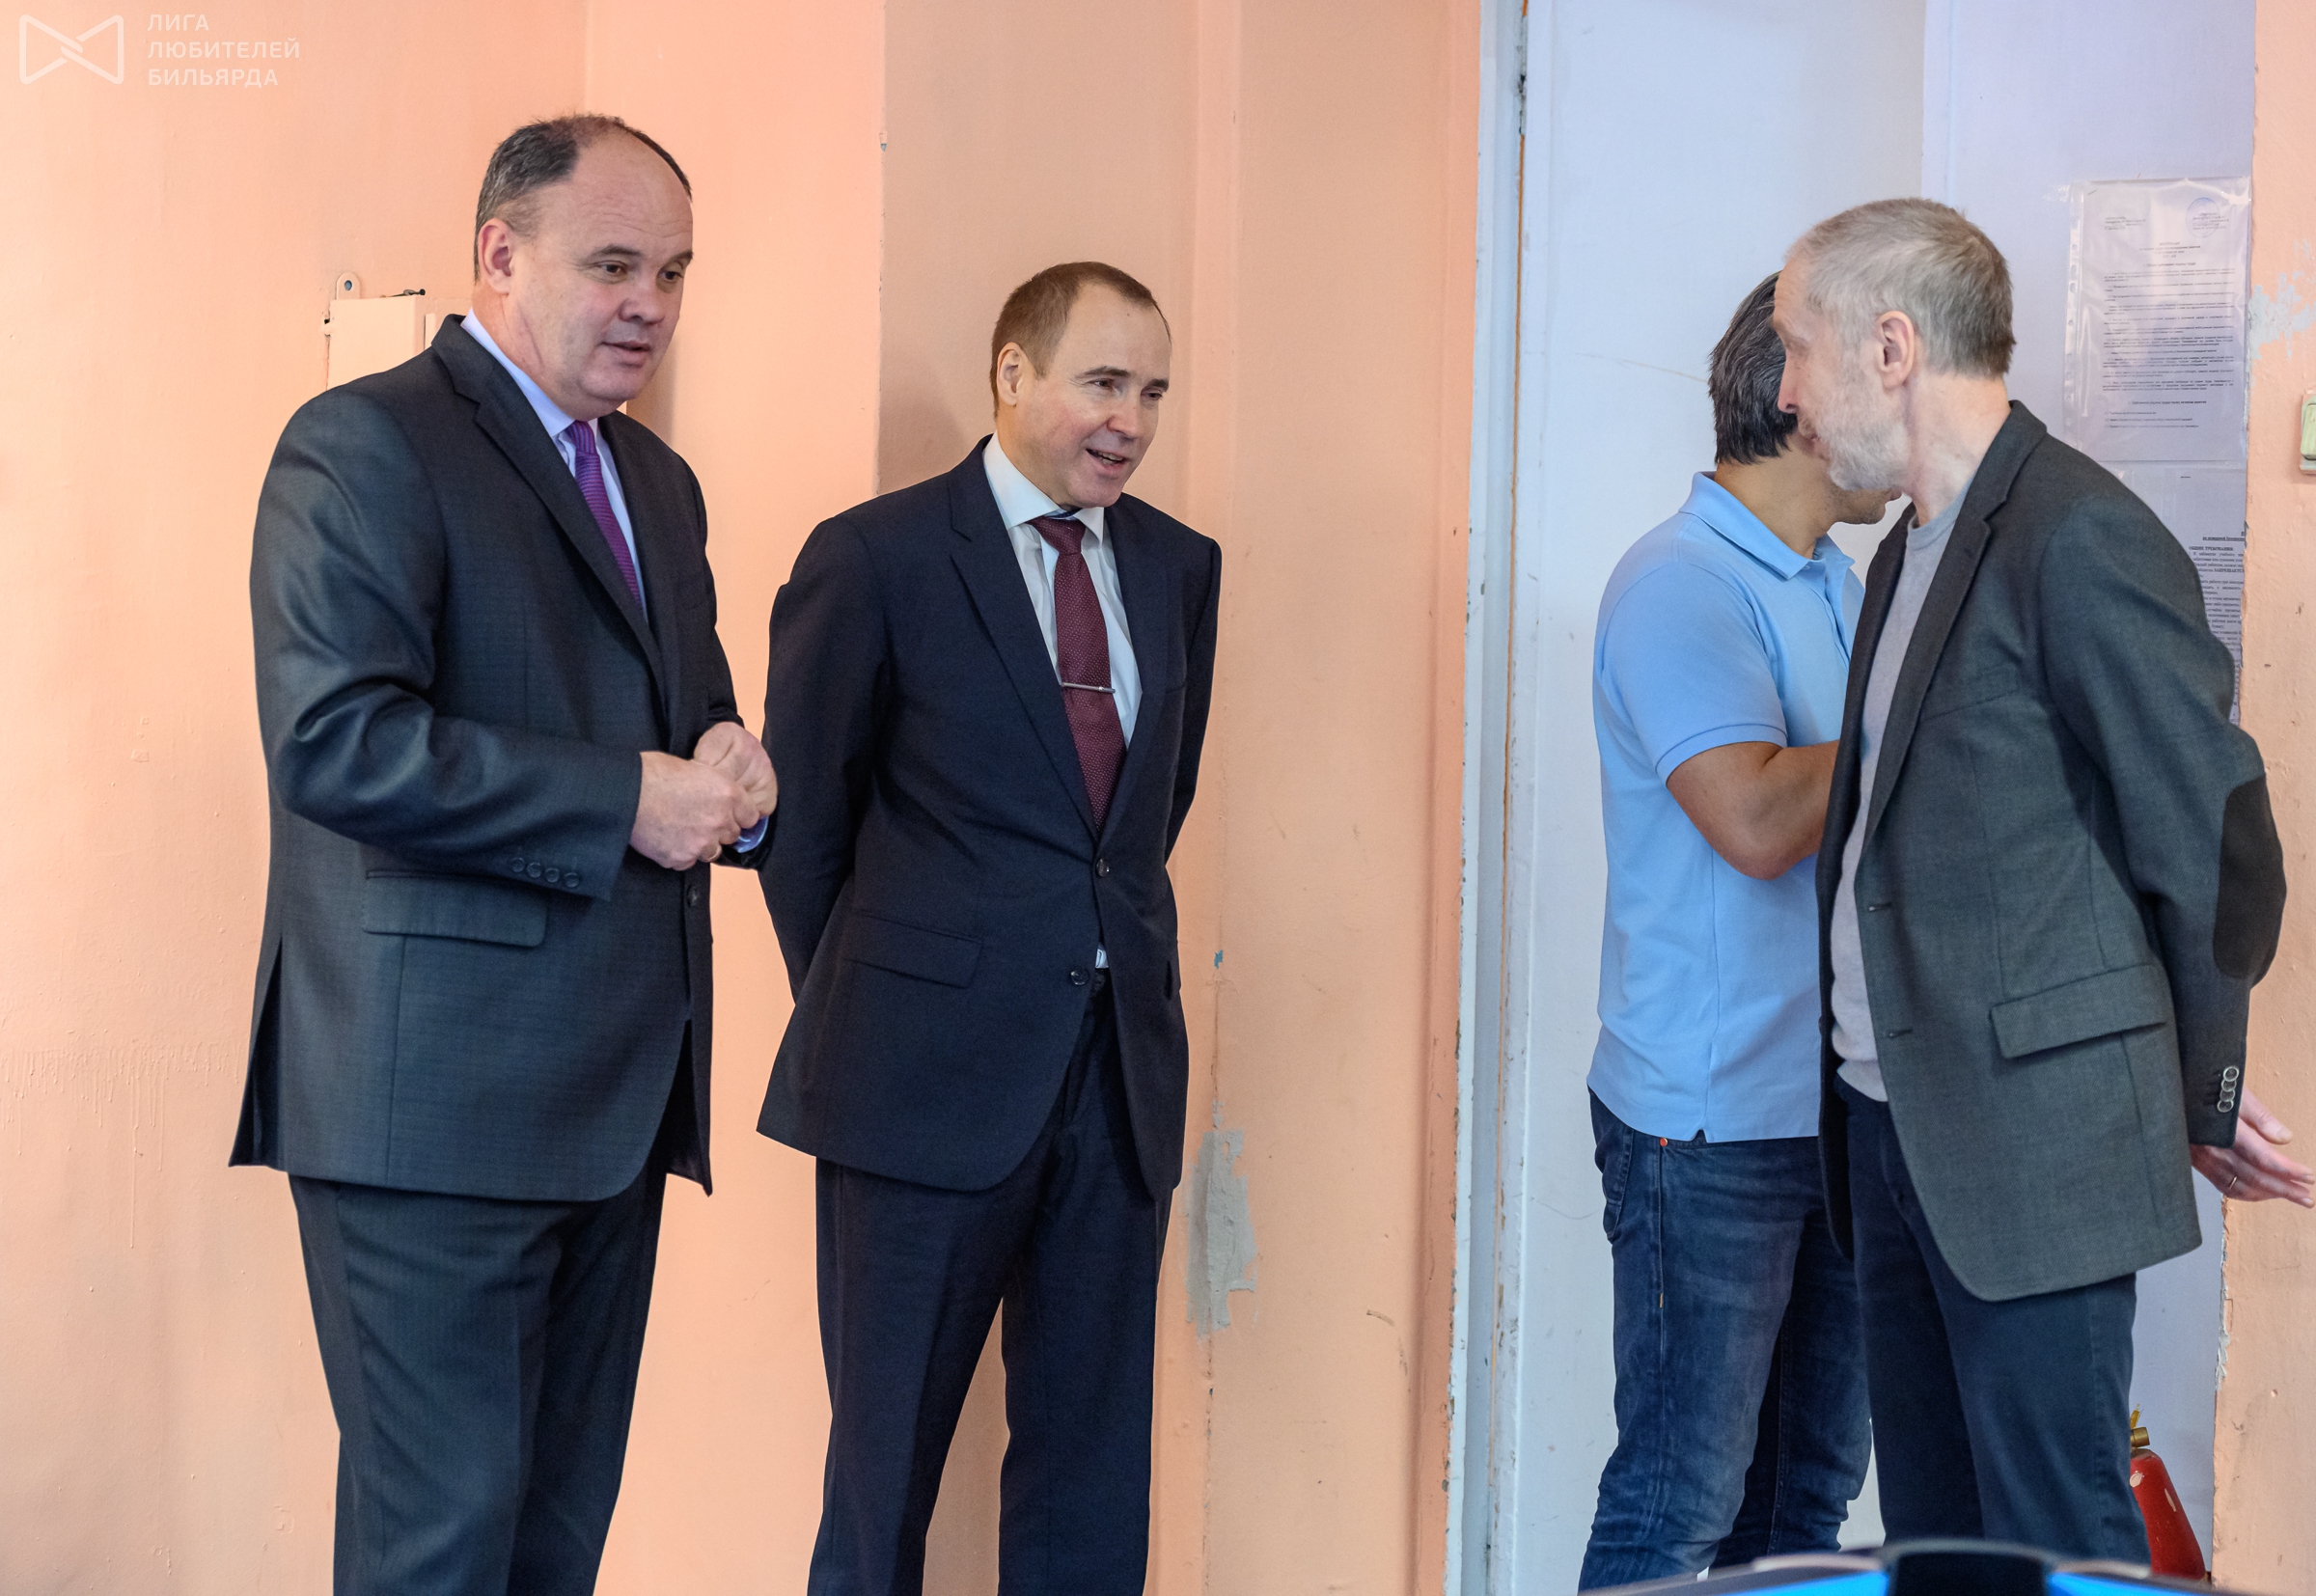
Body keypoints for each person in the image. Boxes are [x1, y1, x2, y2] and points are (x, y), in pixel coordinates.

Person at [237, 115, 775, 1595]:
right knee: (441, 1553)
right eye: (613, 265)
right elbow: (337, 743)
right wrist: (623, 800)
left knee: (552, 1549)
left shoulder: (657, 482)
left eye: (673, 271)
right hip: (430, 1116)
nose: (650, 303)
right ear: (499, 254)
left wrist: (735, 766)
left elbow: (685, 716)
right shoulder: (363, 444)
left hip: (617, 1105)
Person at [1773, 197, 2311, 1559]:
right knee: (1940, 1550)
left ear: (1891, 347)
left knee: (2057, 1547)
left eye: (1797, 347)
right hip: (1890, 1132)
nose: (1786, 393)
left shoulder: (2077, 533)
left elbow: (2217, 832)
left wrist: (2203, 1080)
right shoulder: (1902, 551)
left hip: (2036, 1150)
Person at [758, 261, 1219, 1594]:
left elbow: (1143, 816)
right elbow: (805, 826)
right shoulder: (877, 557)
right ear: (1013, 374)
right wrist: (886, 1004)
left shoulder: (1179, 568)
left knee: (1091, 1489)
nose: (1130, 421)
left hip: (1117, 1087)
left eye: (1153, 392)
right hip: (914, 1087)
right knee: (880, 1487)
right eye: (1103, 383)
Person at [1579, 274, 1892, 1588]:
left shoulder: (1837, 578)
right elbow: (1758, 819)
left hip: (1835, 1112)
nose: (1912, 423)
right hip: (1707, 1128)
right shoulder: (1679, 583)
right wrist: (1924, 713)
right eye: (1892, 381)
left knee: (1803, 1509)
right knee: (1677, 1507)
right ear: (1803, 395)